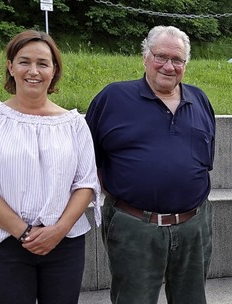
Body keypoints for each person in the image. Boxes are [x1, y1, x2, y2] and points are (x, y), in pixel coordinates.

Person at [0, 30, 101, 303]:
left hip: (64, 244)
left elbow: (85, 184)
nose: (33, 71)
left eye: (43, 63)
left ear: (54, 70)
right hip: (4, 244)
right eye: (24, 62)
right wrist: (25, 233)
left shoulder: (74, 124)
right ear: (11, 67)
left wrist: (56, 232)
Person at [85, 25, 215, 304]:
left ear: (185, 64)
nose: (169, 66)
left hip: (194, 225)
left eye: (177, 60)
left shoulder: (200, 100)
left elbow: (204, 163)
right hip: (135, 227)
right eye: (161, 56)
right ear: (145, 56)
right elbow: (88, 160)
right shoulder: (113, 98)